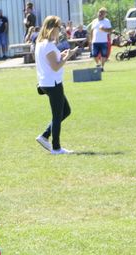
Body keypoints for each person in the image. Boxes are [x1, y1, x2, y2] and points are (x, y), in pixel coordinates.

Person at [34, 15, 77, 155]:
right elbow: (55, 67)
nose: (60, 30)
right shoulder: (48, 45)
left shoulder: (41, 44)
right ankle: (56, 148)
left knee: (66, 111)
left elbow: (51, 61)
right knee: (57, 115)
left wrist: (62, 55)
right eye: (59, 27)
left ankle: (45, 135)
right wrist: (67, 56)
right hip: (53, 84)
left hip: (46, 83)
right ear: (52, 28)